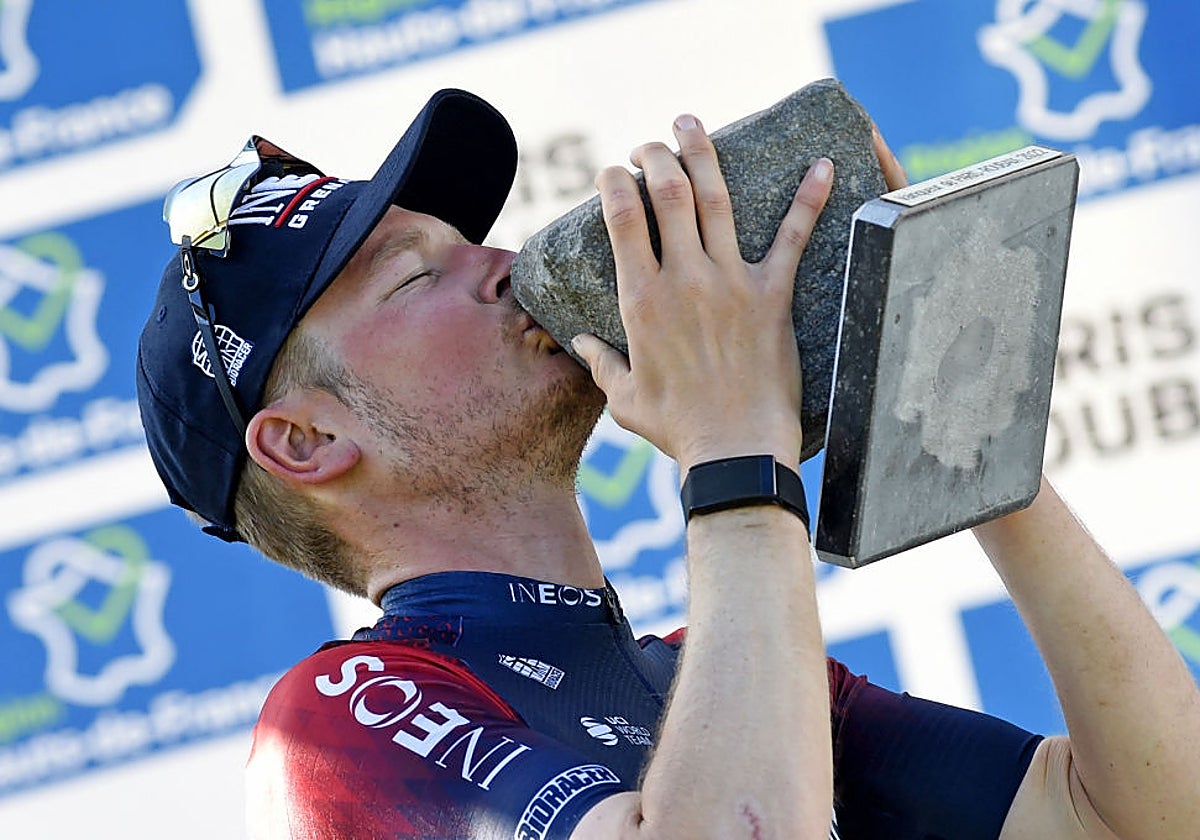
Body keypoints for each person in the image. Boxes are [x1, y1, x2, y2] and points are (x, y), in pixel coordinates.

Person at [135, 89, 1200, 840]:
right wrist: (736, 451)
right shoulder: (340, 717)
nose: (508, 264)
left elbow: (1141, 816)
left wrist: (951, 407)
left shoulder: (708, 675)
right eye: (418, 275)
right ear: (308, 442)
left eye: (473, 238)